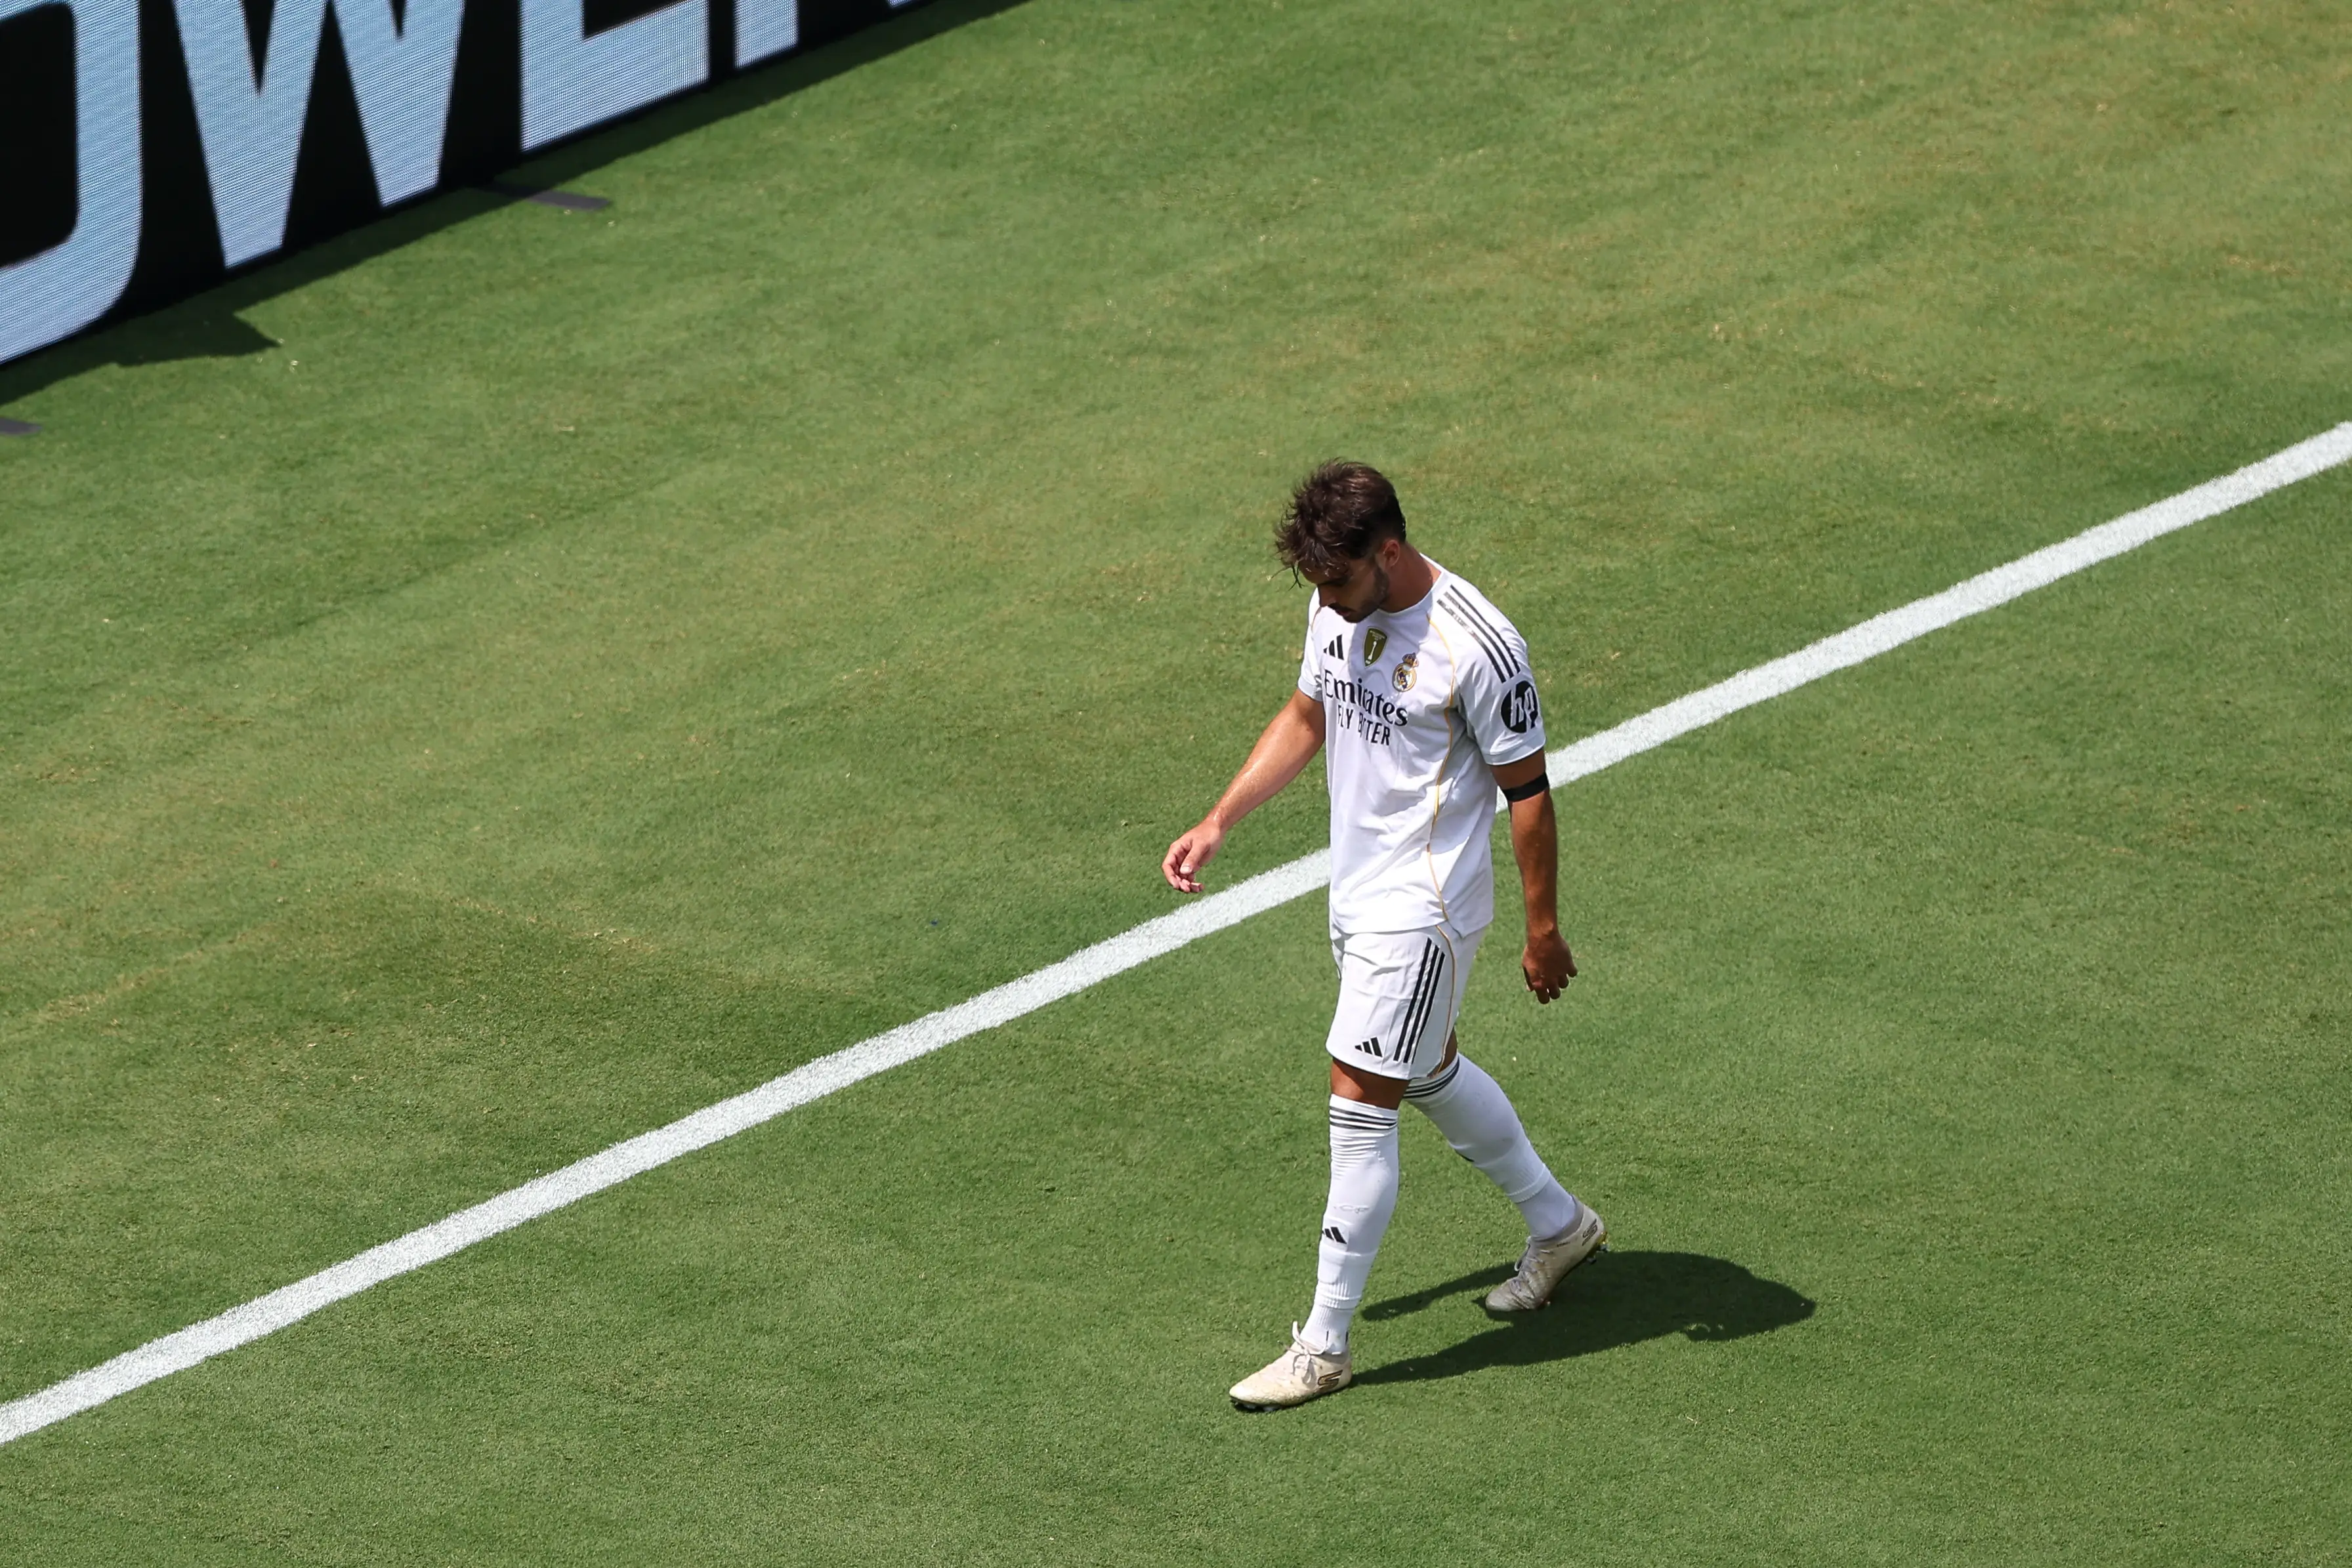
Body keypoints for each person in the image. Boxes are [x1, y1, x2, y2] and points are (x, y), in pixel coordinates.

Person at [1160, 460, 1603, 1411]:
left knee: (1359, 1100)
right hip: (1357, 895)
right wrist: (1220, 818)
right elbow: (1307, 713)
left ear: (1389, 551)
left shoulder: (1476, 646)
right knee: (1430, 1068)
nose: (1327, 603)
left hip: (1426, 911)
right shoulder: (1339, 600)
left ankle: (1323, 1344)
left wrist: (1545, 929)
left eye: (1340, 582)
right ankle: (1560, 1224)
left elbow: (1528, 795)